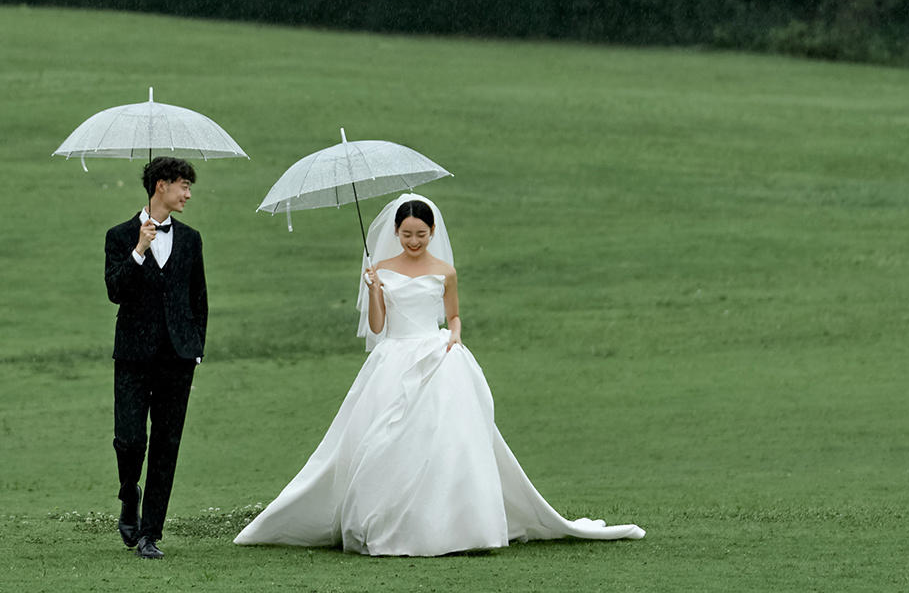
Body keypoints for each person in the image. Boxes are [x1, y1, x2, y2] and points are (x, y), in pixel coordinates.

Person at [234, 193, 643, 555]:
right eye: (407, 234)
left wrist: (455, 338)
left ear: (432, 232)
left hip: (437, 351)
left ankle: (456, 524)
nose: (414, 242)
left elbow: (454, 315)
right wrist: (374, 289)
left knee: (448, 436)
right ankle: (389, 521)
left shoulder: (445, 271)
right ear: (396, 232)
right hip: (394, 358)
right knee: (384, 438)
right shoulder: (381, 269)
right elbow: (377, 328)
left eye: (421, 234)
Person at [104, 155, 209, 558]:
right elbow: (115, 290)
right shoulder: (119, 236)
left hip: (177, 358)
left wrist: (195, 349)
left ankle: (150, 533)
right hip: (132, 356)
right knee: (129, 440)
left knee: (167, 443)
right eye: (183, 186)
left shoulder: (192, 239)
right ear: (160, 185)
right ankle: (129, 494)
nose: (187, 194)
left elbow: (198, 299)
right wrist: (139, 250)